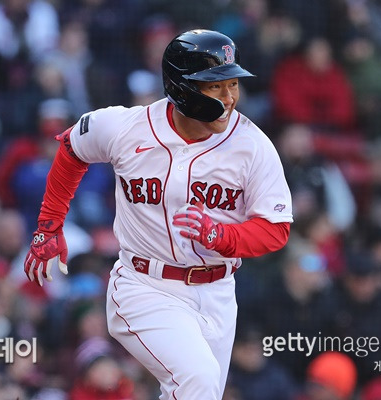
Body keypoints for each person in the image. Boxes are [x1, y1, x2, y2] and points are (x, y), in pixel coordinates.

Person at [23, 29, 293, 400]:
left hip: (218, 292)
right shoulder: (125, 126)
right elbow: (72, 148)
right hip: (144, 285)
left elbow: (276, 229)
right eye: (217, 87)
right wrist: (48, 226)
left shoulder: (252, 145)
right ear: (182, 87)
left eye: (233, 84)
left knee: (199, 391)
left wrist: (222, 237)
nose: (230, 98)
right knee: (195, 379)